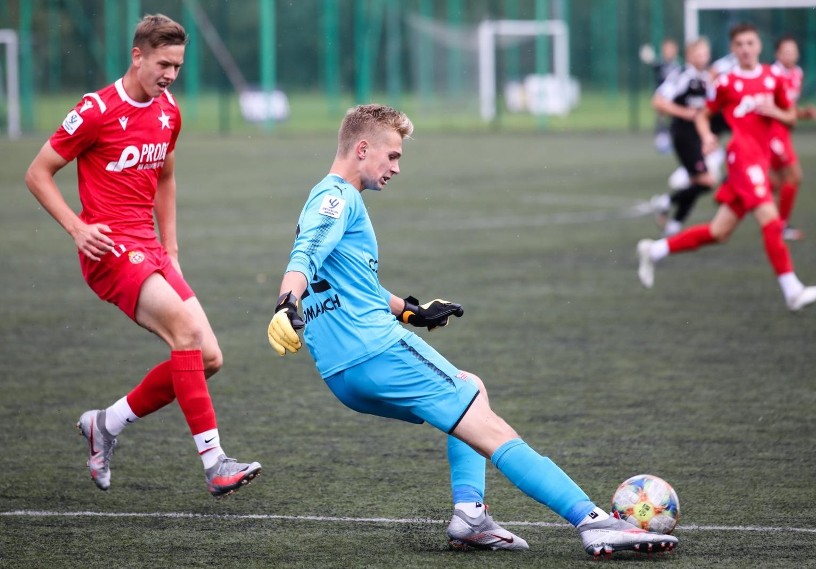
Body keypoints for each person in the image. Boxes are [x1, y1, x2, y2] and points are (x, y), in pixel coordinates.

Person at [267, 104, 678, 557]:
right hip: (377, 352)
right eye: (393, 156)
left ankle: (470, 516)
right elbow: (304, 255)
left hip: (342, 373)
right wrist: (287, 302)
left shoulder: (323, 197)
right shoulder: (338, 197)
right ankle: (593, 521)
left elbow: (352, 281)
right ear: (362, 149)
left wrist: (412, 312)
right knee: (491, 428)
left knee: (470, 387)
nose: (397, 168)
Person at [24, 14, 261, 496]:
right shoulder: (95, 111)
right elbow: (37, 172)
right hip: (110, 249)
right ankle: (215, 463)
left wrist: (171, 248)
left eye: (177, 66)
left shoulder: (168, 110)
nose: (170, 75)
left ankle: (106, 423)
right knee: (188, 333)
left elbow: (166, 178)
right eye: (163, 64)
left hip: (150, 248)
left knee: (208, 357)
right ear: (138, 56)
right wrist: (76, 227)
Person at [636, 23, 816, 312]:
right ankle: (792, 290)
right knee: (770, 219)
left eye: (750, 43)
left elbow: (789, 118)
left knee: (719, 232)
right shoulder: (726, 83)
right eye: (739, 44)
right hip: (742, 158)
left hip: (760, 160)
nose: (745, 49)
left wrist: (775, 111)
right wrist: (707, 137)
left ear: (759, 46)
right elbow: (704, 114)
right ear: (733, 49)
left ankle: (655, 250)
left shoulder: (773, 77)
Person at [649, 37, 718, 236]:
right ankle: (666, 202)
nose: (702, 57)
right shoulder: (681, 75)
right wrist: (684, 112)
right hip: (683, 134)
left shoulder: (705, 78)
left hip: (698, 135)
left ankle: (674, 226)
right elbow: (658, 102)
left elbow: (708, 107)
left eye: (705, 54)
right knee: (707, 181)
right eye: (697, 54)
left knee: (698, 182)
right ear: (688, 56)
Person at [769, 36, 816, 241]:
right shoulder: (771, 75)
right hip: (772, 132)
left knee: (780, 181)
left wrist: (803, 113)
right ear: (777, 54)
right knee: (794, 176)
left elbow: (787, 107)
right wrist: (790, 116)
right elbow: (768, 107)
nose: (789, 54)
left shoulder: (797, 73)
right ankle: (781, 225)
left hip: (784, 132)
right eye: (785, 51)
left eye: (793, 50)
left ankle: (777, 223)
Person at [651, 39, 681, 154]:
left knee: (674, 119)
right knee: (661, 118)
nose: (669, 51)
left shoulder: (678, 65)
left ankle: (674, 139)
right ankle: (662, 141)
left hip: (674, 96)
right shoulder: (661, 64)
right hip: (662, 96)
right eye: (667, 49)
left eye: (671, 49)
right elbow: (654, 65)